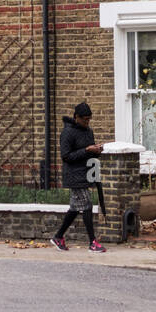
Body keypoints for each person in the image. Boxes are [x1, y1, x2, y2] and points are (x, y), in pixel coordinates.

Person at [52, 101, 106, 252]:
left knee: (75, 208)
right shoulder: (67, 133)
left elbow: (89, 151)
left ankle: (58, 237)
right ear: (76, 117)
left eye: (89, 119)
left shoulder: (88, 131)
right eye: (84, 119)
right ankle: (92, 242)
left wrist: (97, 150)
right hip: (73, 175)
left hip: (86, 173)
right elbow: (66, 156)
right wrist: (87, 150)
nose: (87, 122)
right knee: (87, 205)